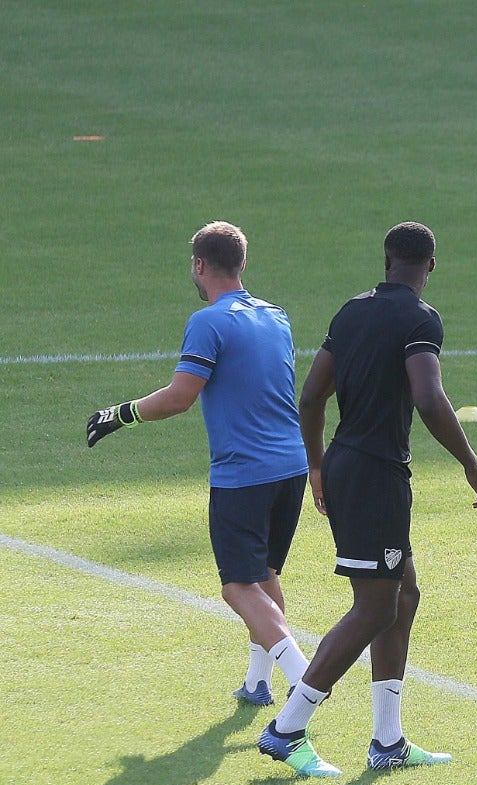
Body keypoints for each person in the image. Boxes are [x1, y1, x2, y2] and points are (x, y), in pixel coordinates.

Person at [257, 222, 477, 777]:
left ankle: (388, 742)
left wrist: (317, 465)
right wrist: (472, 465)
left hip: (346, 466)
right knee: (374, 608)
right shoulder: (420, 319)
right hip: (376, 478)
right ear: (430, 266)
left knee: (402, 596)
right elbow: (430, 399)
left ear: (386, 260)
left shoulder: (350, 312)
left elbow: (311, 397)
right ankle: (286, 729)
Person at [86, 221, 311, 707]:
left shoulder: (209, 321)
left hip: (244, 473)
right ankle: (258, 682)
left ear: (199, 265)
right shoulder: (277, 316)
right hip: (290, 466)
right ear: (243, 264)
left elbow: (179, 398)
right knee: (266, 575)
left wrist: (118, 414)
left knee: (237, 586)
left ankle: (305, 677)